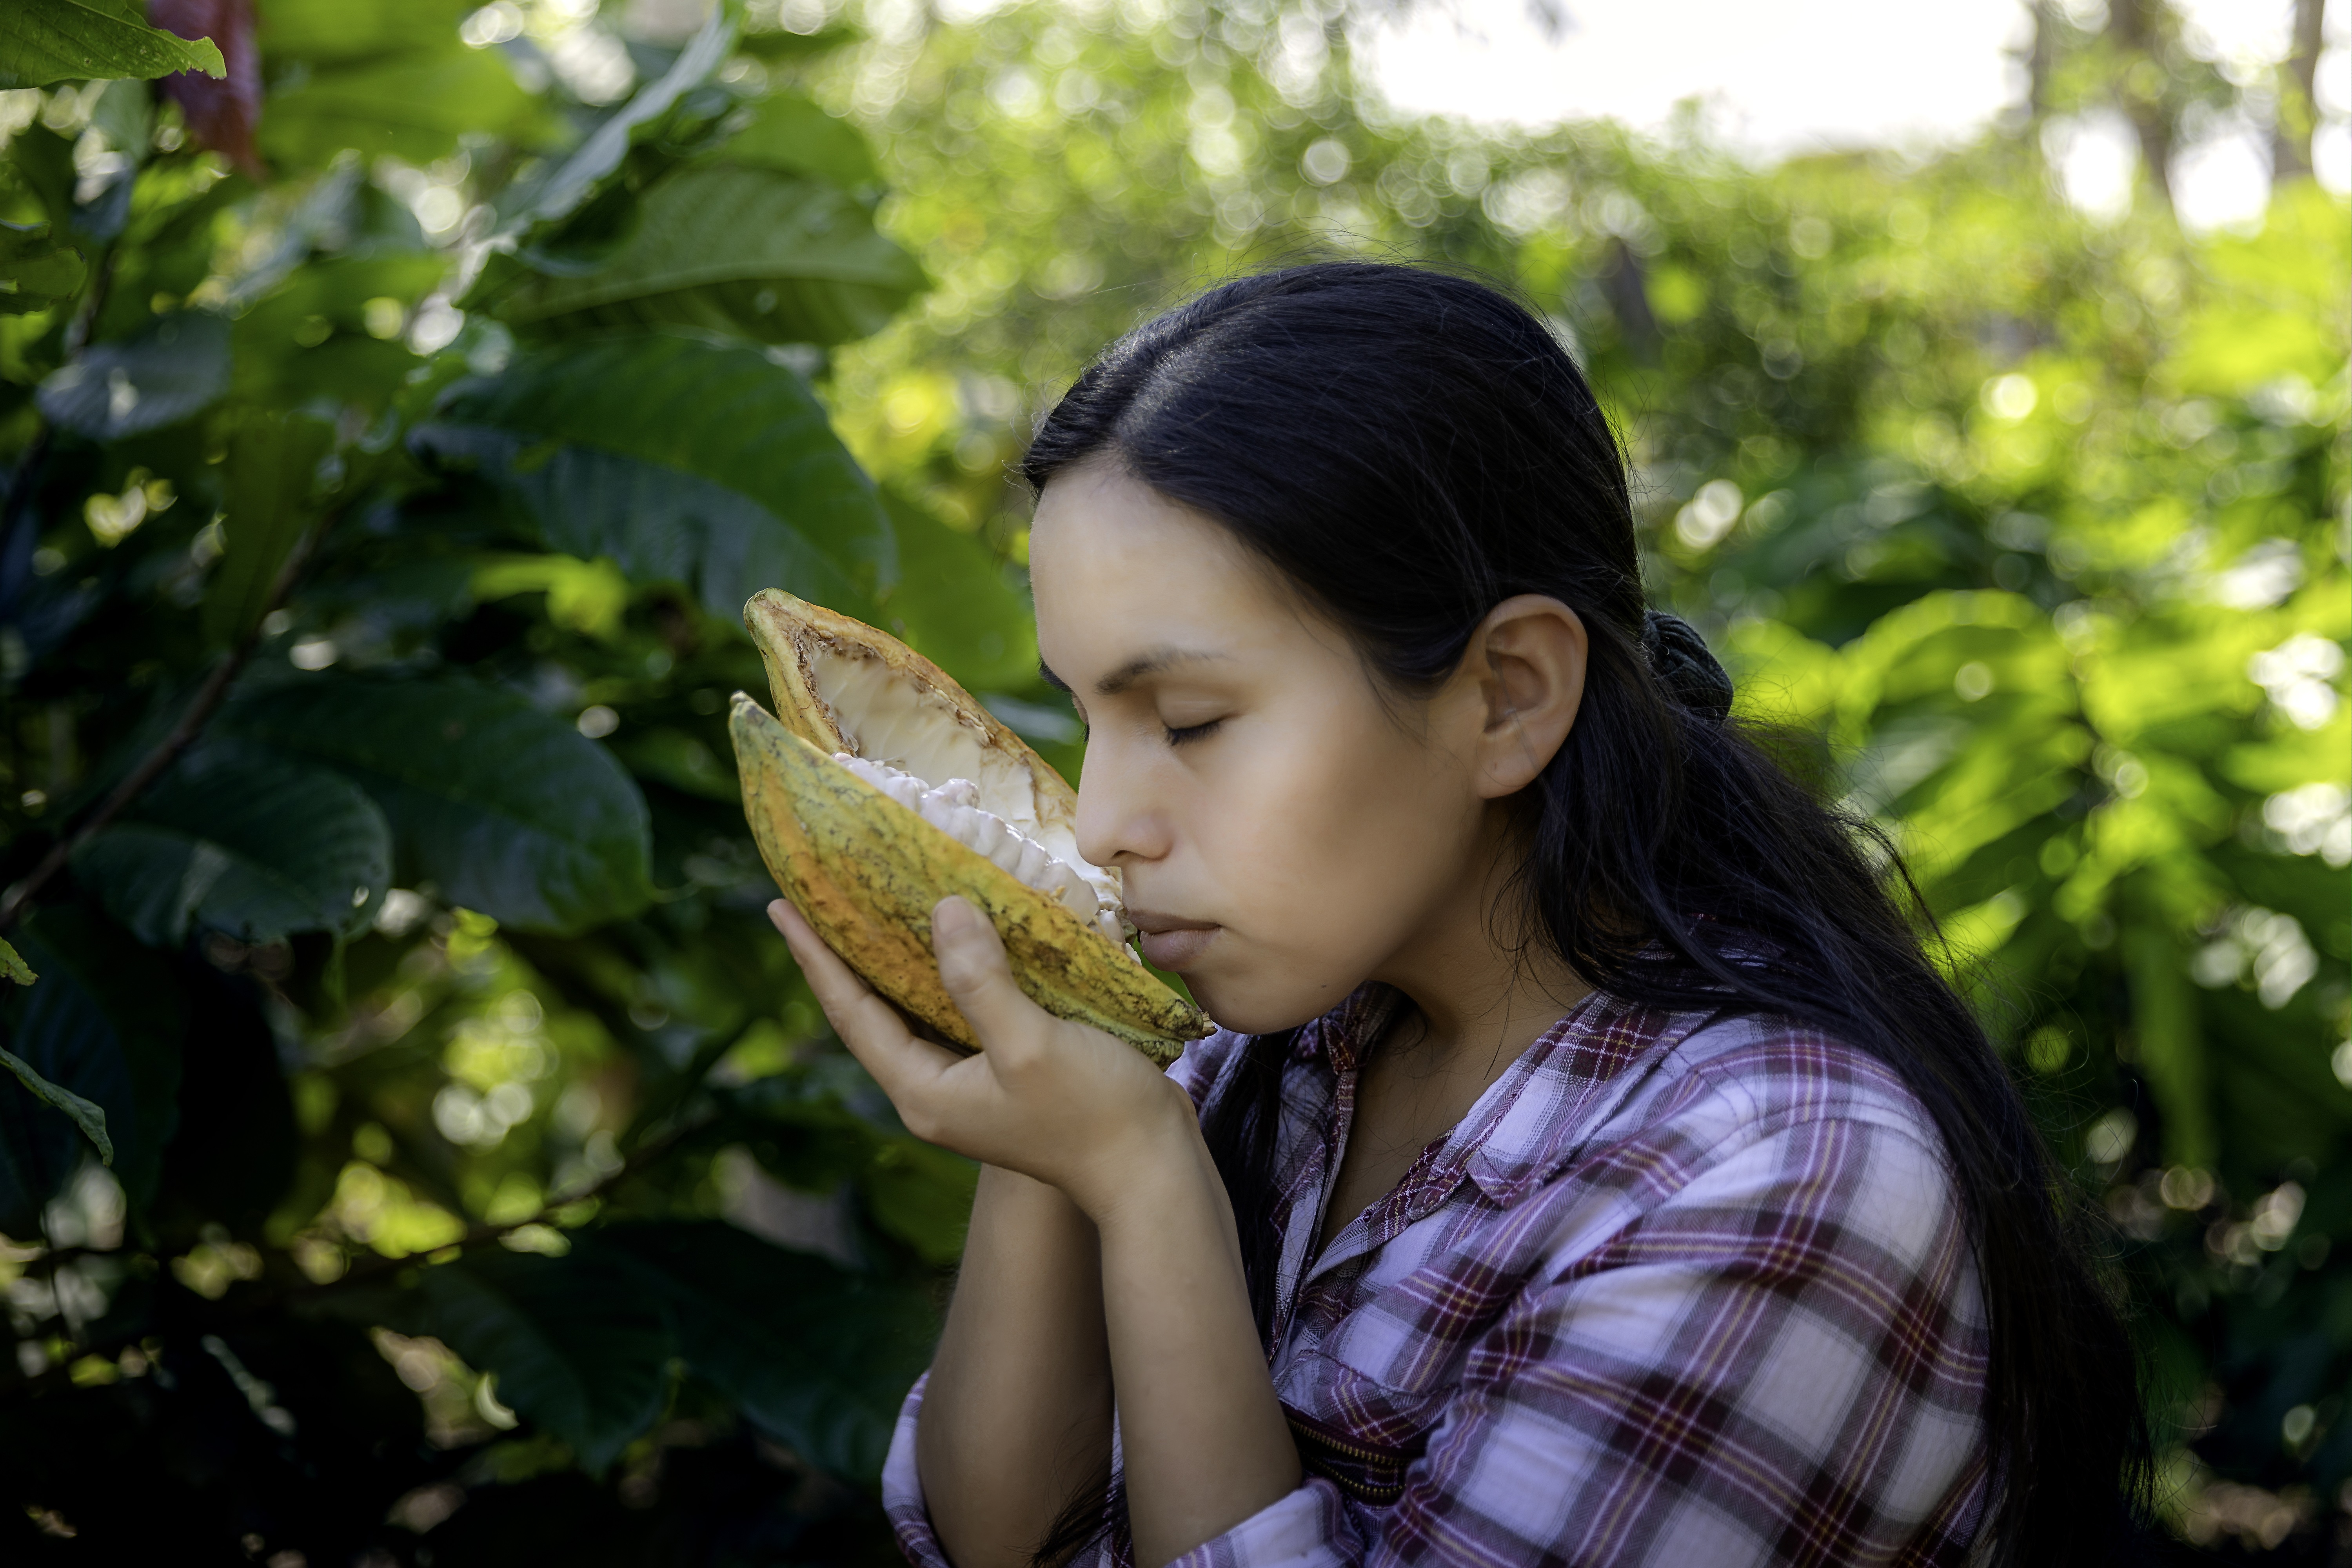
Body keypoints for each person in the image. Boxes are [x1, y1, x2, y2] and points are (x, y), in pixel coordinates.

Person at [767, 262, 2147, 1568]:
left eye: (1189, 720)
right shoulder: (1289, 1029)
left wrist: (1147, 1183)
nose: (1103, 820)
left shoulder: (1774, 1176)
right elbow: (1001, 1537)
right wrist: (1042, 1097)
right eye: (1088, 718)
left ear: (1508, 695)